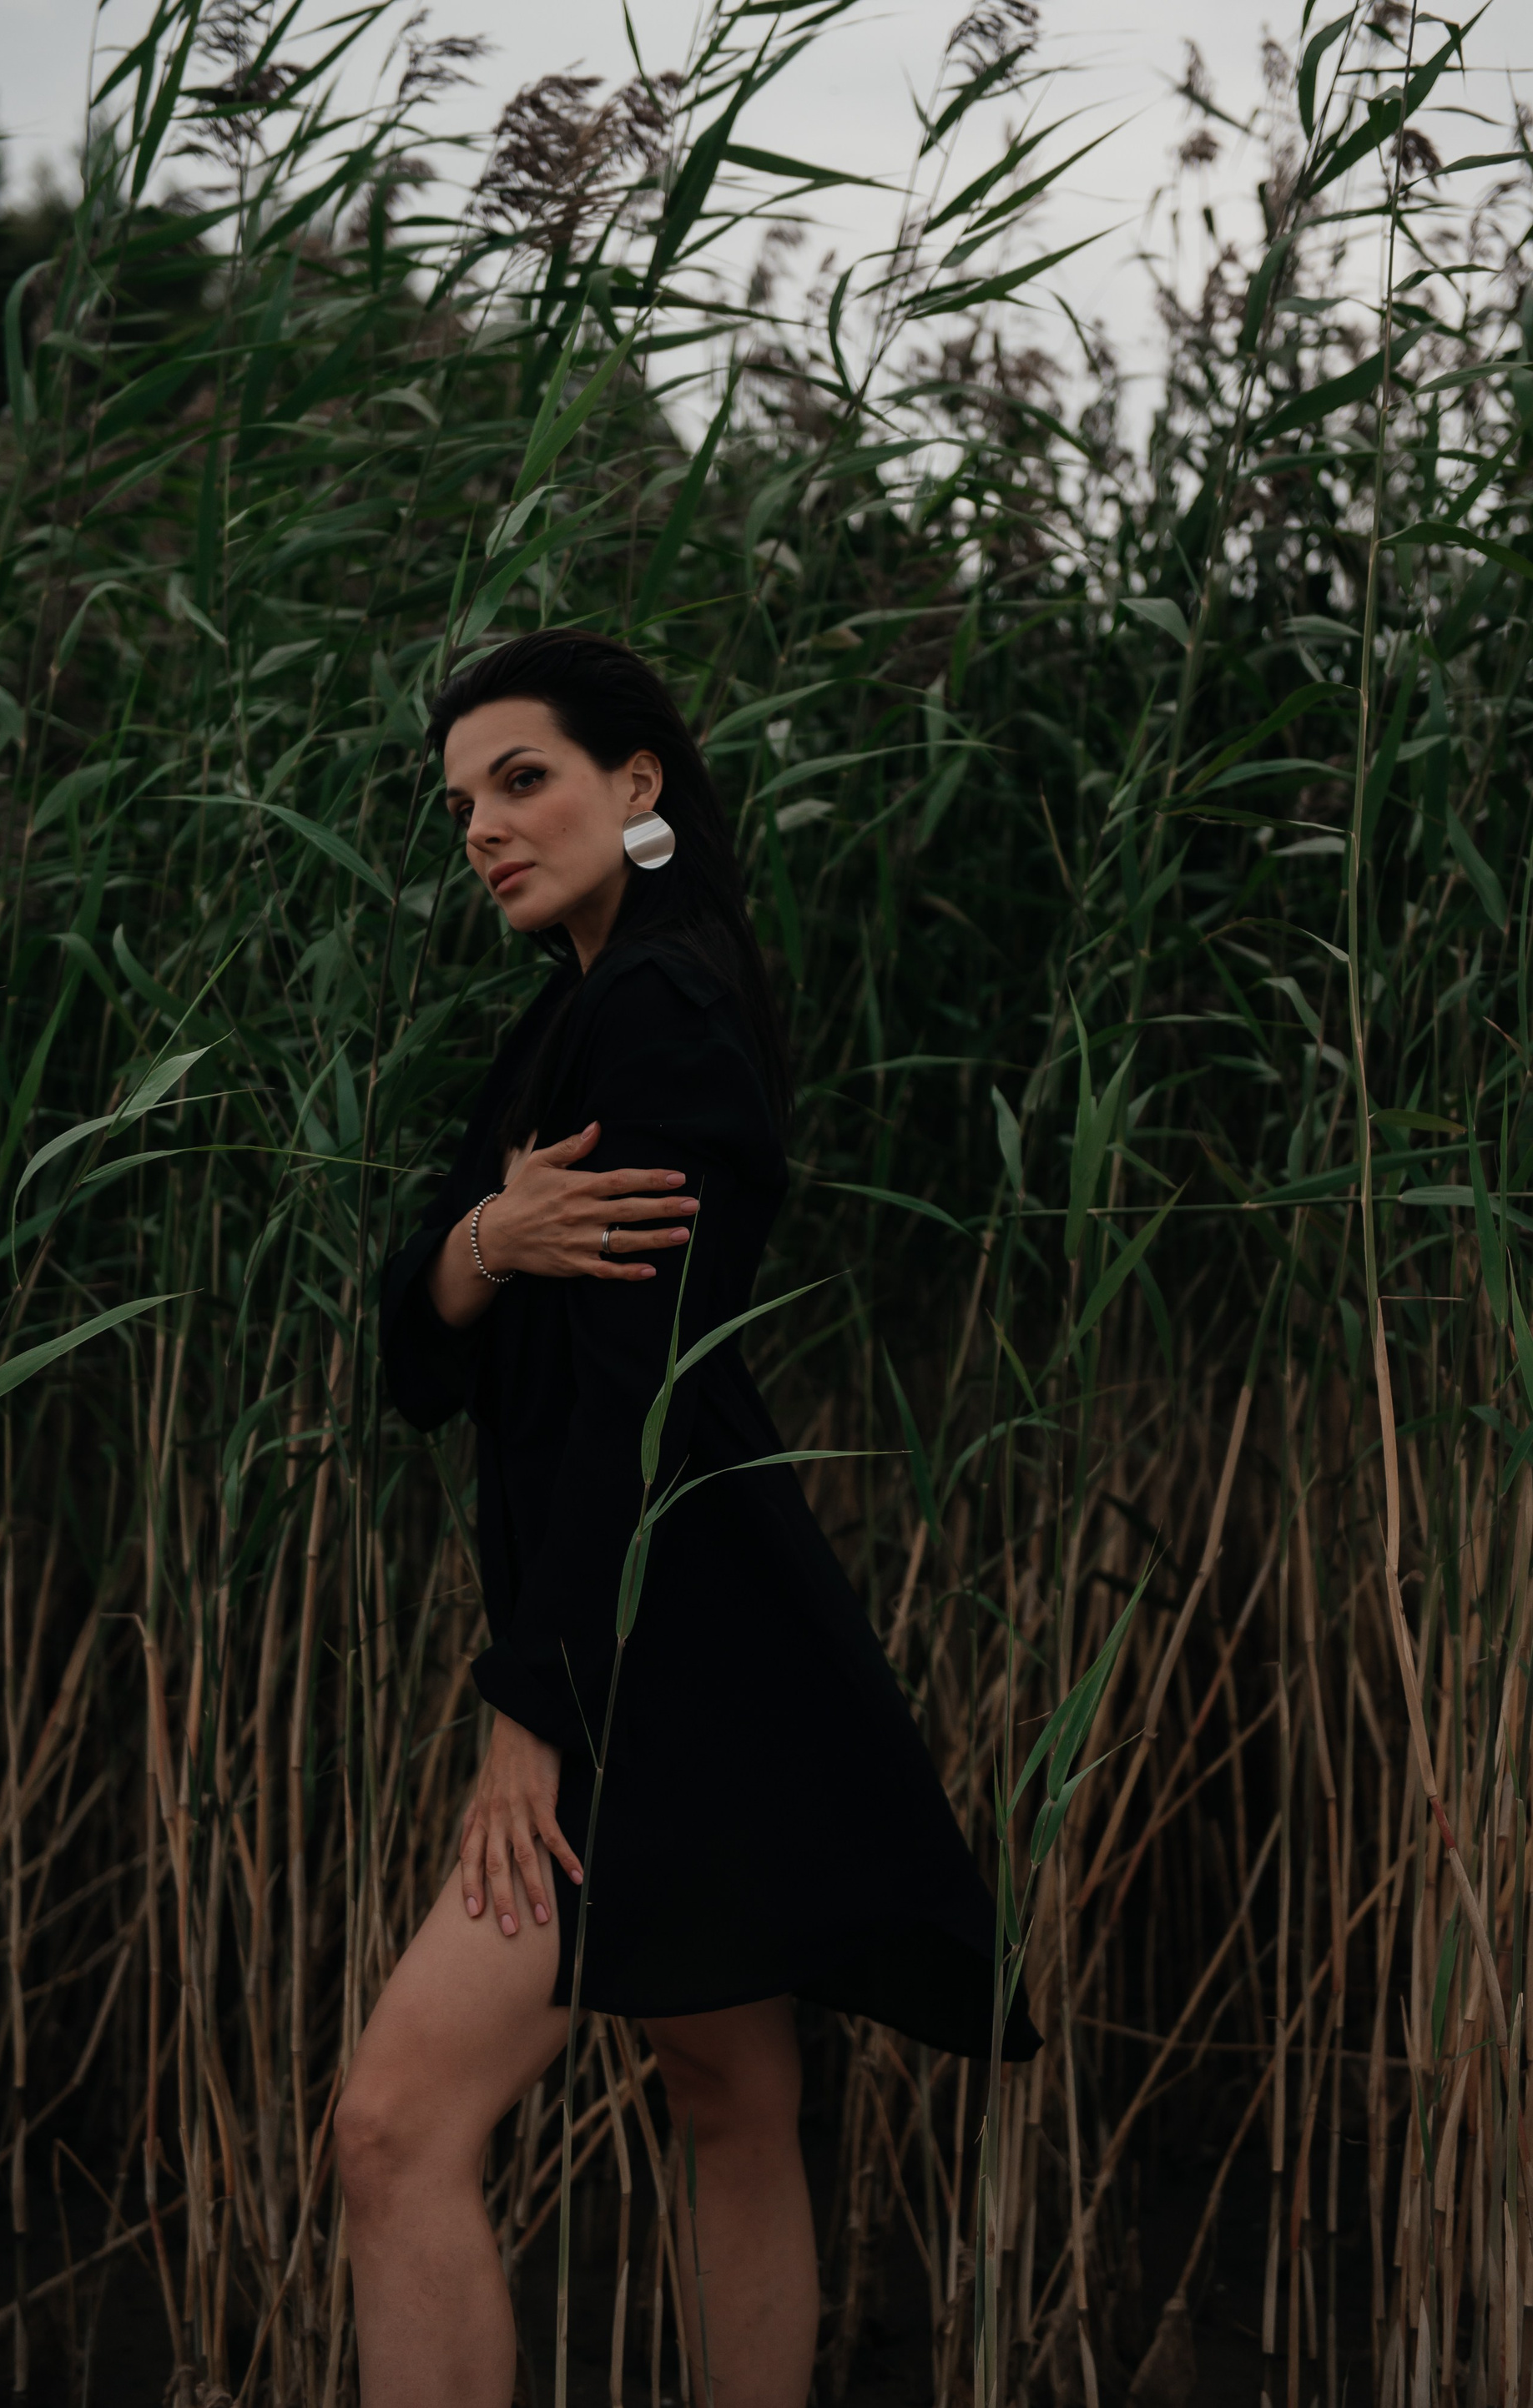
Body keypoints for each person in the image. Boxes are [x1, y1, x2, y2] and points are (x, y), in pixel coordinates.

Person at [335, 629, 1040, 2408]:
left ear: (636, 782)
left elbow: (636, 1403)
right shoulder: (569, 1017)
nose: (484, 829)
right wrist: (485, 1241)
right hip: (669, 1626)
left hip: (652, 1647)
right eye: (462, 805)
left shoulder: (659, 1011)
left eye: (524, 780)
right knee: (735, 2094)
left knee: (394, 2126)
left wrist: (536, 1711)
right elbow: (414, 1360)